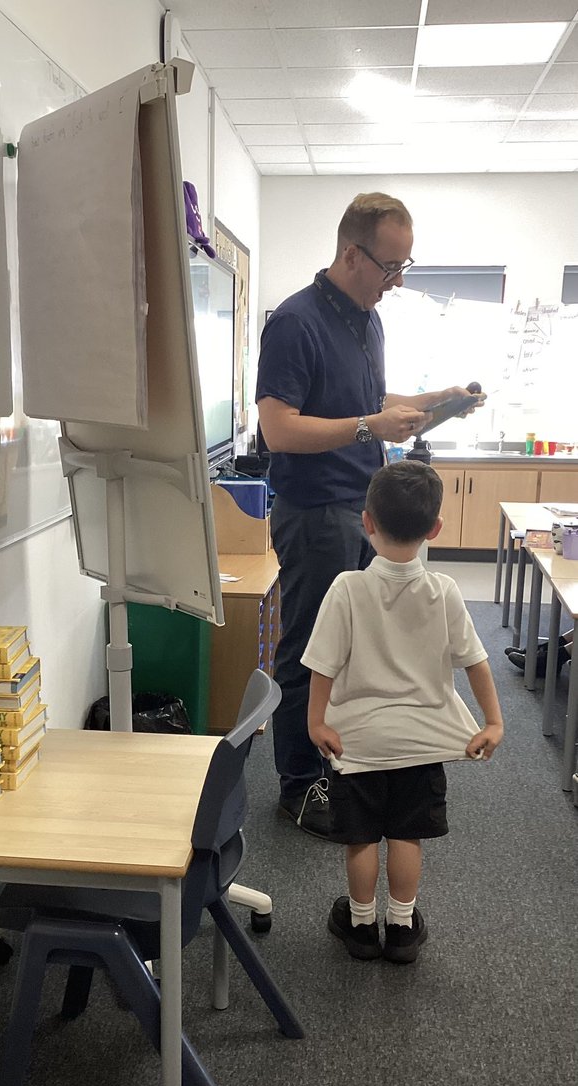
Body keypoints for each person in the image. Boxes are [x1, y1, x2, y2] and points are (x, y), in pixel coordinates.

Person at [255, 191, 480, 837]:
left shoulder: (365, 316)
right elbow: (279, 429)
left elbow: (367, 400)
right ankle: (298, 788)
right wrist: (367, 427)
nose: (397, 280)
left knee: (354, 653)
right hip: (316, 510)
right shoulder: (295, 322)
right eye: (389, 267)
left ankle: (336, 767)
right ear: (352, 254)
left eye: (405, 266)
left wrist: (438, 400)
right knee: (311, 655)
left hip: (361, 507)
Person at [302, 460, 504, 963]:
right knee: (406, 834)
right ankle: (403, 926)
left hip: (359, 743)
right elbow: (476, 661)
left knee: (362, 837)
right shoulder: (445, 591)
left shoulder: (347, 588)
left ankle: (362, 926)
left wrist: (316, 721)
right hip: (423, 742)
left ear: (366, 521)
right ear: (435, 529)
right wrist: (494, 721)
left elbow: (322, 666)